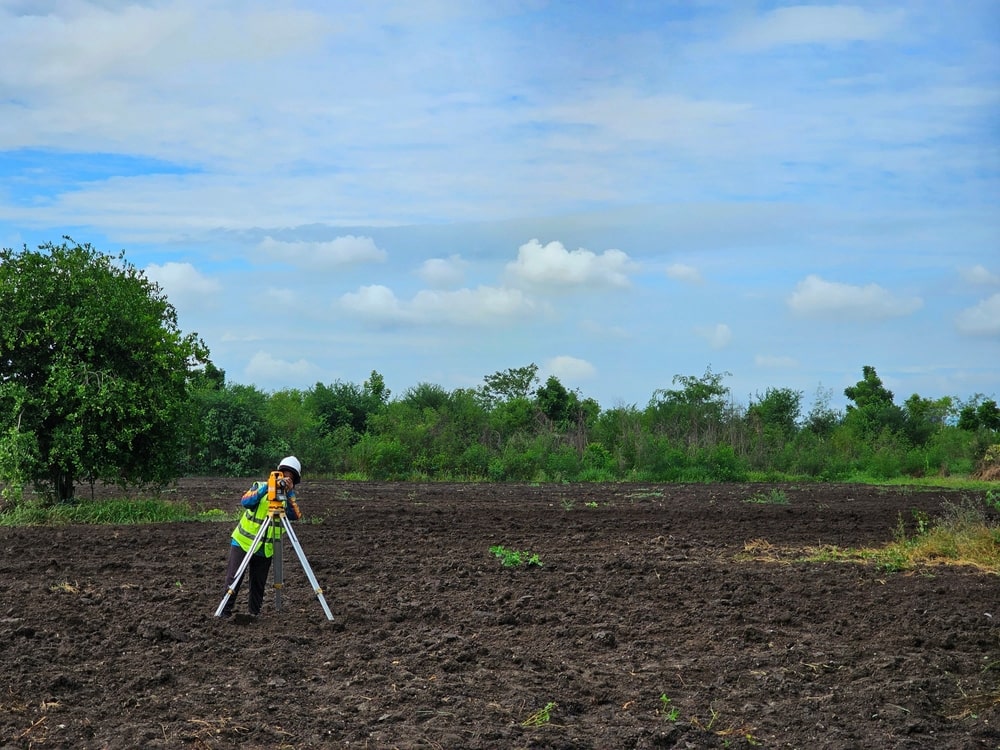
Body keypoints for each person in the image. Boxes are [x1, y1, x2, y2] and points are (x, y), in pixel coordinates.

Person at [219, 456, 303, 620]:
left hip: (266, 547)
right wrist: (268, 488)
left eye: (290, 478)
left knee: (258, 582)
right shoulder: (260, 487)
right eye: (284, 475)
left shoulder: (287, 498)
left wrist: (289, 491)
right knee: (234, 578)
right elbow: (246, 501)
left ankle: (254, 614)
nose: (285, 480)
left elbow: (295, 515)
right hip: (244, 542)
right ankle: (224, 612)